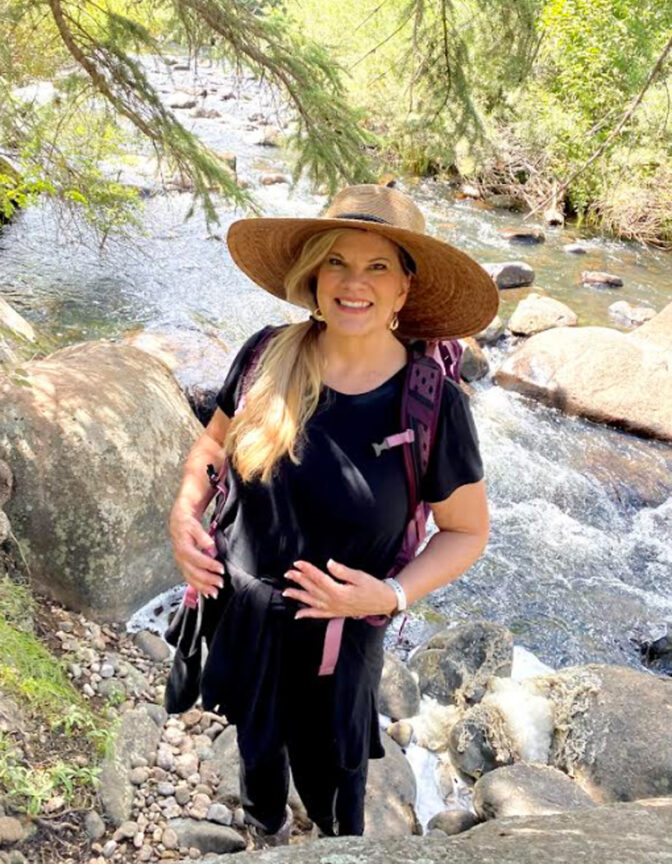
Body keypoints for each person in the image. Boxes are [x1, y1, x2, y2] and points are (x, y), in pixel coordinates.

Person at [167, 184, 498, 841]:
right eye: (337, 262)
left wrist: (392, 594)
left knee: (335, 786)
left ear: (403, 290)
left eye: (378, 266)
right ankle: (264, 833)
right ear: (314, 276)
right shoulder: (265, 356)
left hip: (341, 641)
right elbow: (212, 447)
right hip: (244, 610)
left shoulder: (432, 405)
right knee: (256, 747)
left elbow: (466, 532)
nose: (354, 283)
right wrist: (185, 512)